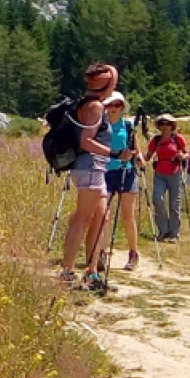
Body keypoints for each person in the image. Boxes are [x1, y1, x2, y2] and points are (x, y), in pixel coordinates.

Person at [56, 94, 111, 285]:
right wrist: (115, 153)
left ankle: (92, 271)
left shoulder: (88, 104)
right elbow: (86, 141)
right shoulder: (95, 106)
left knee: (102, 216)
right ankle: (67, 271)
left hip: (95, 167)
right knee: (83, 218)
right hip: (90, 166)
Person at [94, 92, 141, 273]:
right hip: (105, 172)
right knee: (103, 215)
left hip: (126, 172)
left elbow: (136, 149)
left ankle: (133, 253)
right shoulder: (100, 125)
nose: (113, 108)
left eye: (117, 105)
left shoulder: (128, 126)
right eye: (110, 105)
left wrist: (138, 157)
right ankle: (101, 253)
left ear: (122, 107)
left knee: (128, 215)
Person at [146, 114, 188, 243]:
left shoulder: (177, 138)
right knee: (157, 199)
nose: (165, 126)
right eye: (162, 123)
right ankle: (163, 230)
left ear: (172, 125)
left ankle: (174, 233)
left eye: (167, 123)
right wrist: (137, 157)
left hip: (175, 173)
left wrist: (183, 156)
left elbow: (187, 153)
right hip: (160, 173)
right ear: (158, 126)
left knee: (174, 204)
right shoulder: (156, 140)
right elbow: (148, 156)